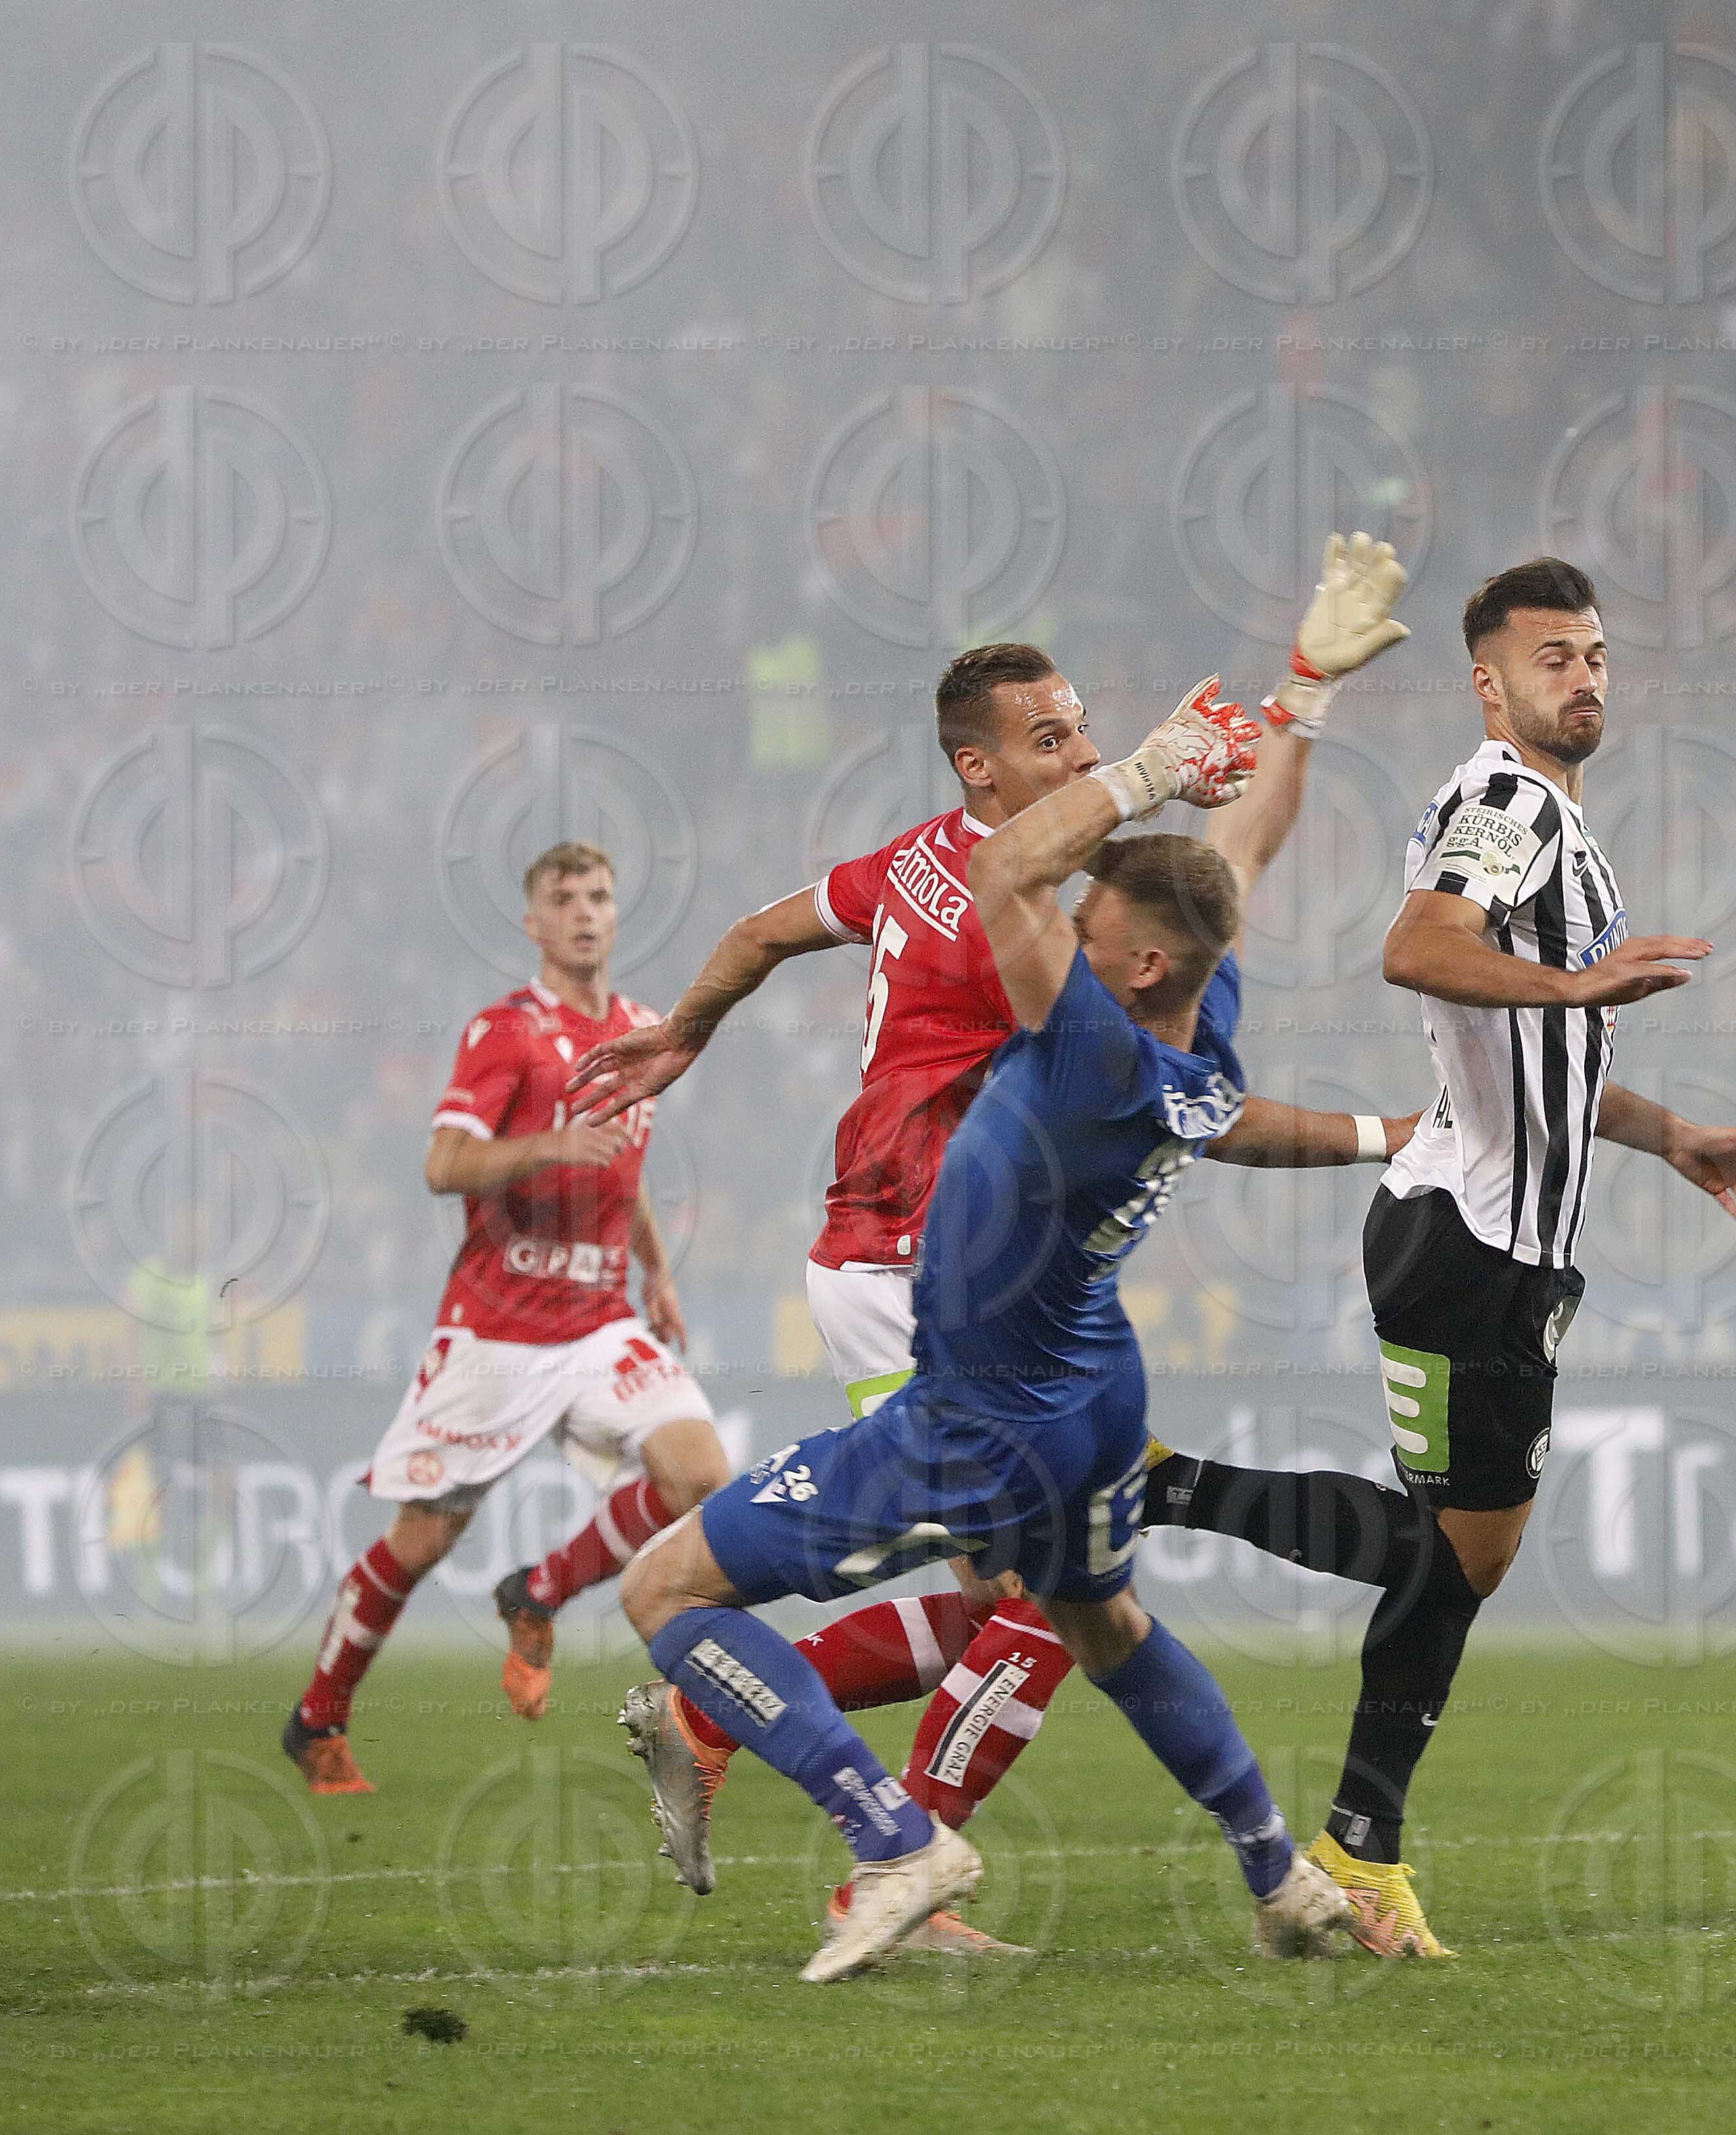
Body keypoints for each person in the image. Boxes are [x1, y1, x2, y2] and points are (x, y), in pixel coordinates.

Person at [567, 535, 1414, 1948]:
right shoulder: (1043, 936)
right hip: (930, 1278)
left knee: (1037, 1608)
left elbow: (771, 926)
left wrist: (1270, 707)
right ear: (981, 768)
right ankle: (899, 1848)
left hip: (943, 1283)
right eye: (1052, 734)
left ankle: (859, 1812)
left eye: (1081, 727)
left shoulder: (950, 879)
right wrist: (1228, 730)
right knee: (1047, 1606)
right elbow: (1202, 878)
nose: (1080, 744)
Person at [1142, 558, 1736, 1956]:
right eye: (1553, 657)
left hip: (1502, 1239)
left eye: (1598, 654)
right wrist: (1578, 984)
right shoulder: (1504, 802)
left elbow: (1542, 1051)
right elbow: (1418, 949)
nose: (1586, 676)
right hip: (1468, 1240)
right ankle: (1175, 1508)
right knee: (1448, 1555)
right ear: (1491, 684)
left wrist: (1667, 1131)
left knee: (1458, 1557)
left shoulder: (1554, 823)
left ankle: (1356, 1841)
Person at [280, 842, 730, 1793]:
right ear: (534, 923)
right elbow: (443, 1165)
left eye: (600, 895)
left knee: (701, 1474)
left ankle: (539, 1592)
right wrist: (550, 1144)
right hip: (498, 1331)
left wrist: (657, 1275)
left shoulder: (645, 1031)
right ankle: (316, 1717)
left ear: (618, 913)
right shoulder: (505, 1033)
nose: (585, 912)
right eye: (564, 899)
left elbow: (624, 1164)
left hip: (602, 1318)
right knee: (422, 1541)